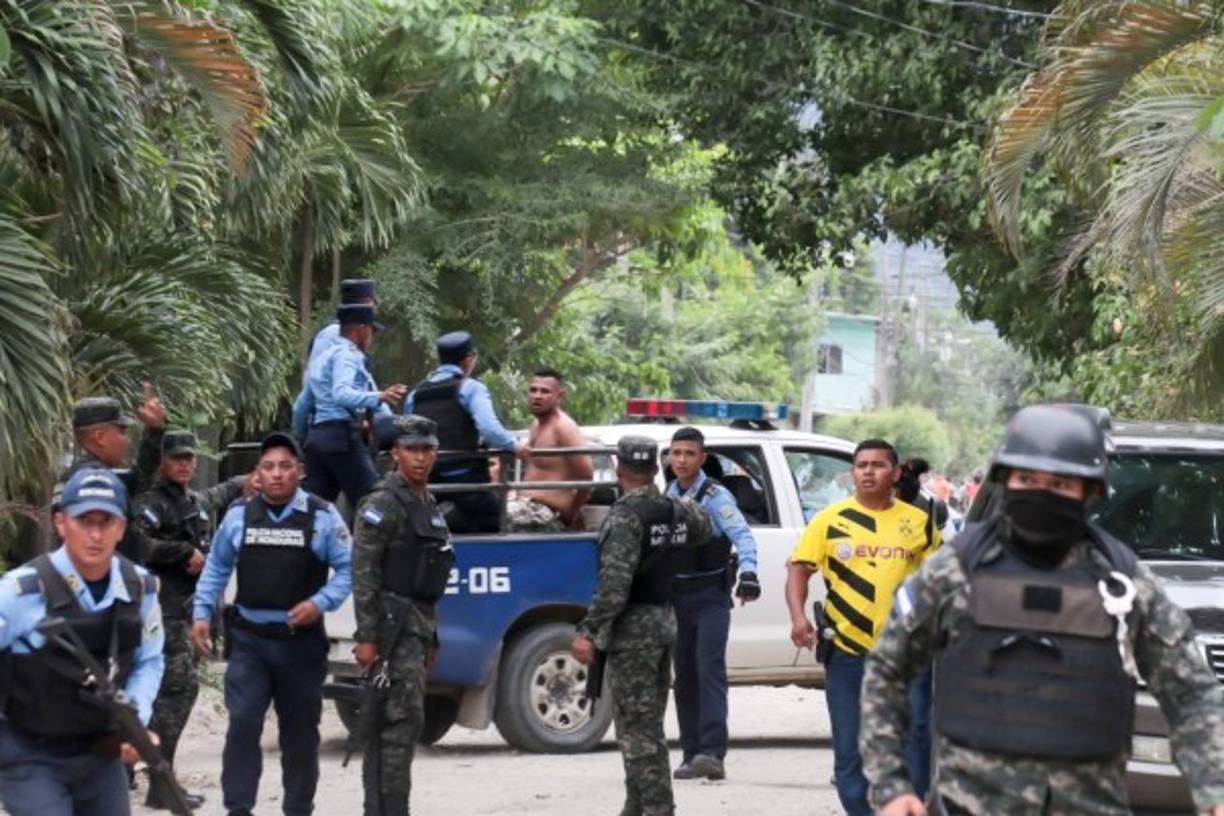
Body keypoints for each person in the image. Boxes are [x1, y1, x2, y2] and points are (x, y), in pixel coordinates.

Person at [862, 406, 1224, 816]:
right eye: (1028, 479)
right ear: (1006, 482)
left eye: (1060, 483)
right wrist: (891, 785)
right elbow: (887, 671)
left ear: (1090, 491)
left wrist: (1213, 786)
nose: (1042, 493)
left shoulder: (1123, 583)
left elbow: (1192, 691)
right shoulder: (955, 571)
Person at [190, 432, 353, 816]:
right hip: (250, 642)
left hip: (300, 646)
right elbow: (216, 567)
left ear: (300, 472)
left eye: (285, 466)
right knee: (243, 724)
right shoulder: (239, 516)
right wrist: (201, 613)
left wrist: (319, 603)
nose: (276, 474)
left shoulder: (322, 516)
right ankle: (238, 809)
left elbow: (348, 570)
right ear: (257, 474)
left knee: (299, 736)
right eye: (268, 467)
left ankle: (298, 808)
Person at [785, 439, 940, 816]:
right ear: (852, 472)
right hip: (848, 652)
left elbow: (938, 581)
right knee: (850, 752)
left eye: (878, 465)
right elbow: (798, 568)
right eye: (861, 465)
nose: (868, 472)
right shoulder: (829, 520)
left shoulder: (918, 523)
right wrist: (798, 616)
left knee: (916, 742)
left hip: (907, 653)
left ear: (896, 473)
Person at [0, 468, 165, 816]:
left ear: (121, 528)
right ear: (61, 523)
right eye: (83, 520)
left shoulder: (141, 589)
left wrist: (134, 721)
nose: (95, 534)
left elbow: (149, 660)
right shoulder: (20, 592)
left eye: (106, 522)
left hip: (99, 753)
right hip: (28, 752)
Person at [570, 436, 713, 816]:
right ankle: (636, 808)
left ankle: (658, 809)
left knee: (638, 731)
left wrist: (589, 629)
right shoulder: (675, 509)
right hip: (665, 622)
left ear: (618, 469)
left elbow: (614, 586)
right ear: (655, 468)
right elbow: (705, 527)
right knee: (646, 724)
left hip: (633, 631)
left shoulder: (624, 516)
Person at [131, 431, 252, 811]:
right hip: (161, 613)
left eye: (189, 458)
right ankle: (158, 780)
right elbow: (138, 544)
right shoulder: (153, 502)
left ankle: (154, 778)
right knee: (178, 691)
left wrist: (240, 484)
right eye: (176, 458)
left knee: (173, 692)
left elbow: (213, 497)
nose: (184, 464)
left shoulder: (190, 501)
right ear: (163, 461)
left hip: (187, 612)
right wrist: (181, 551)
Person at [351, 415, 455, 816]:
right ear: (395, 453)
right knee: (393, 726)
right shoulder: (382, 503)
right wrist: (367, 637)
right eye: (412, 449)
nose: (420, 457)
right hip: (390, 631)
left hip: (417, 628)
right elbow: (365, 573)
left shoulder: (427, 504)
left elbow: (430, 579)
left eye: (427, 449)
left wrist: (433, 638)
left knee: (406, 724)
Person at [664, 426, 760, 782]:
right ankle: (691, 753)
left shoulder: (716, 495)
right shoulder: (669, 495)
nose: (682, 460)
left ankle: (712, 753)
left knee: (709, 673)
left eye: (690, 454)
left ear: (702, 458)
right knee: (684, 678)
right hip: (678, 599)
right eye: (676, 453)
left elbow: (743, 536)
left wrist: (749, 572)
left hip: (710, 599)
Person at [404, 330, 528, 533]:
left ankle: (449, 519)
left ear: (439, 359)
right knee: (497, 522)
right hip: (467, 481)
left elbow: (407, 435)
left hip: (429, 481)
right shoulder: (470, 388)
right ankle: (454, 518)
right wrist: (514, 447)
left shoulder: (415, 395)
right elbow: (489, 429)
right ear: (468, 360)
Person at [302, 304, 407, 509]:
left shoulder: (321, 358)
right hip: (342, 438)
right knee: (373, 505)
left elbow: (303, 404)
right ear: (361, 329)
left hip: (317, 439)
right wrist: (379, 396)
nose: (371, 337)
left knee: (313, 511)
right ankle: (367, 542)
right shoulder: (347, 354)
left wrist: (301, 437)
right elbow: (341, 394)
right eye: (371, 331)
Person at [53, 390, 167, 562]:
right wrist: (181, 552)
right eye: (121, 431)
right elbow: (128, 543)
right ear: (100, 437)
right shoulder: (94, 481)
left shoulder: (78, 475)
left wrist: (155, 431)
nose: (126, 440)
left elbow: (139, 481)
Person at [506, 368, 593, 532]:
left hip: (547, 513)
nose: (537, 396)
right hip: (525, 507)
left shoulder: (563, 427)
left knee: (498, 519)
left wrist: (571, 513)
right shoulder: (535, 425)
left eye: (545, 391)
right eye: (533, 390)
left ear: (559, 396)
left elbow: (586, 476)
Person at [292, 279, 379, 441]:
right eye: (374, 303)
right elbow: (311, 390)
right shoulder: (334, 336)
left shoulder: (349, 338)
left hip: (346, 428)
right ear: (368, 304)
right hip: (333, 430)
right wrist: (301, 439)